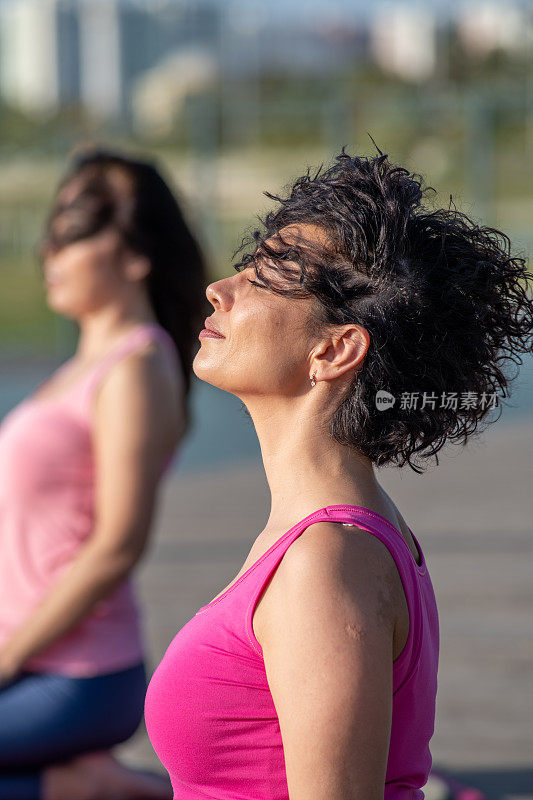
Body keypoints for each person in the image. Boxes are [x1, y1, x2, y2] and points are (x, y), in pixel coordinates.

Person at [144, 147, 533, 800]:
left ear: (334, 349)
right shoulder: (331, 533)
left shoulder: (325, 562)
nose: (220, 289)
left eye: (264, 279)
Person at [0, 148, 208, 800]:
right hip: (30, 659)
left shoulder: (136, 366)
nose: (49, 255)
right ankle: (74, 785)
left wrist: (5, 661)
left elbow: (118, 542)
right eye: (52, 237)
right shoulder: (85, 368)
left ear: (135, 255)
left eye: (74, 234)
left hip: (75, 672)